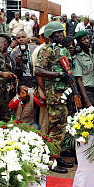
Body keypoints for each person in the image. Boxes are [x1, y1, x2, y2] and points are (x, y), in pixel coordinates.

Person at [34, 21, 75, 174]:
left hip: (64, 93)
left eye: (62, 32)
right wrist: (58, 74)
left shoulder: (62, 50)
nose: (61, 35)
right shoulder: (45, 49)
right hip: (55, 95)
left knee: (62, 126)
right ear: (51, 35)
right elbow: (38, 70)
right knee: (56, 127)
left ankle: (58, 155)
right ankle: (51, 160)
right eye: (58, 33)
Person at [73, 30, 94, 107]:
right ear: (79, 43)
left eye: (87, 38)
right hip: (87, 91)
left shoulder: (93, 52)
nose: (87, 41)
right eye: (83, 40)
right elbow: (79, 79)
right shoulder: (78, 57)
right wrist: (86, 99)